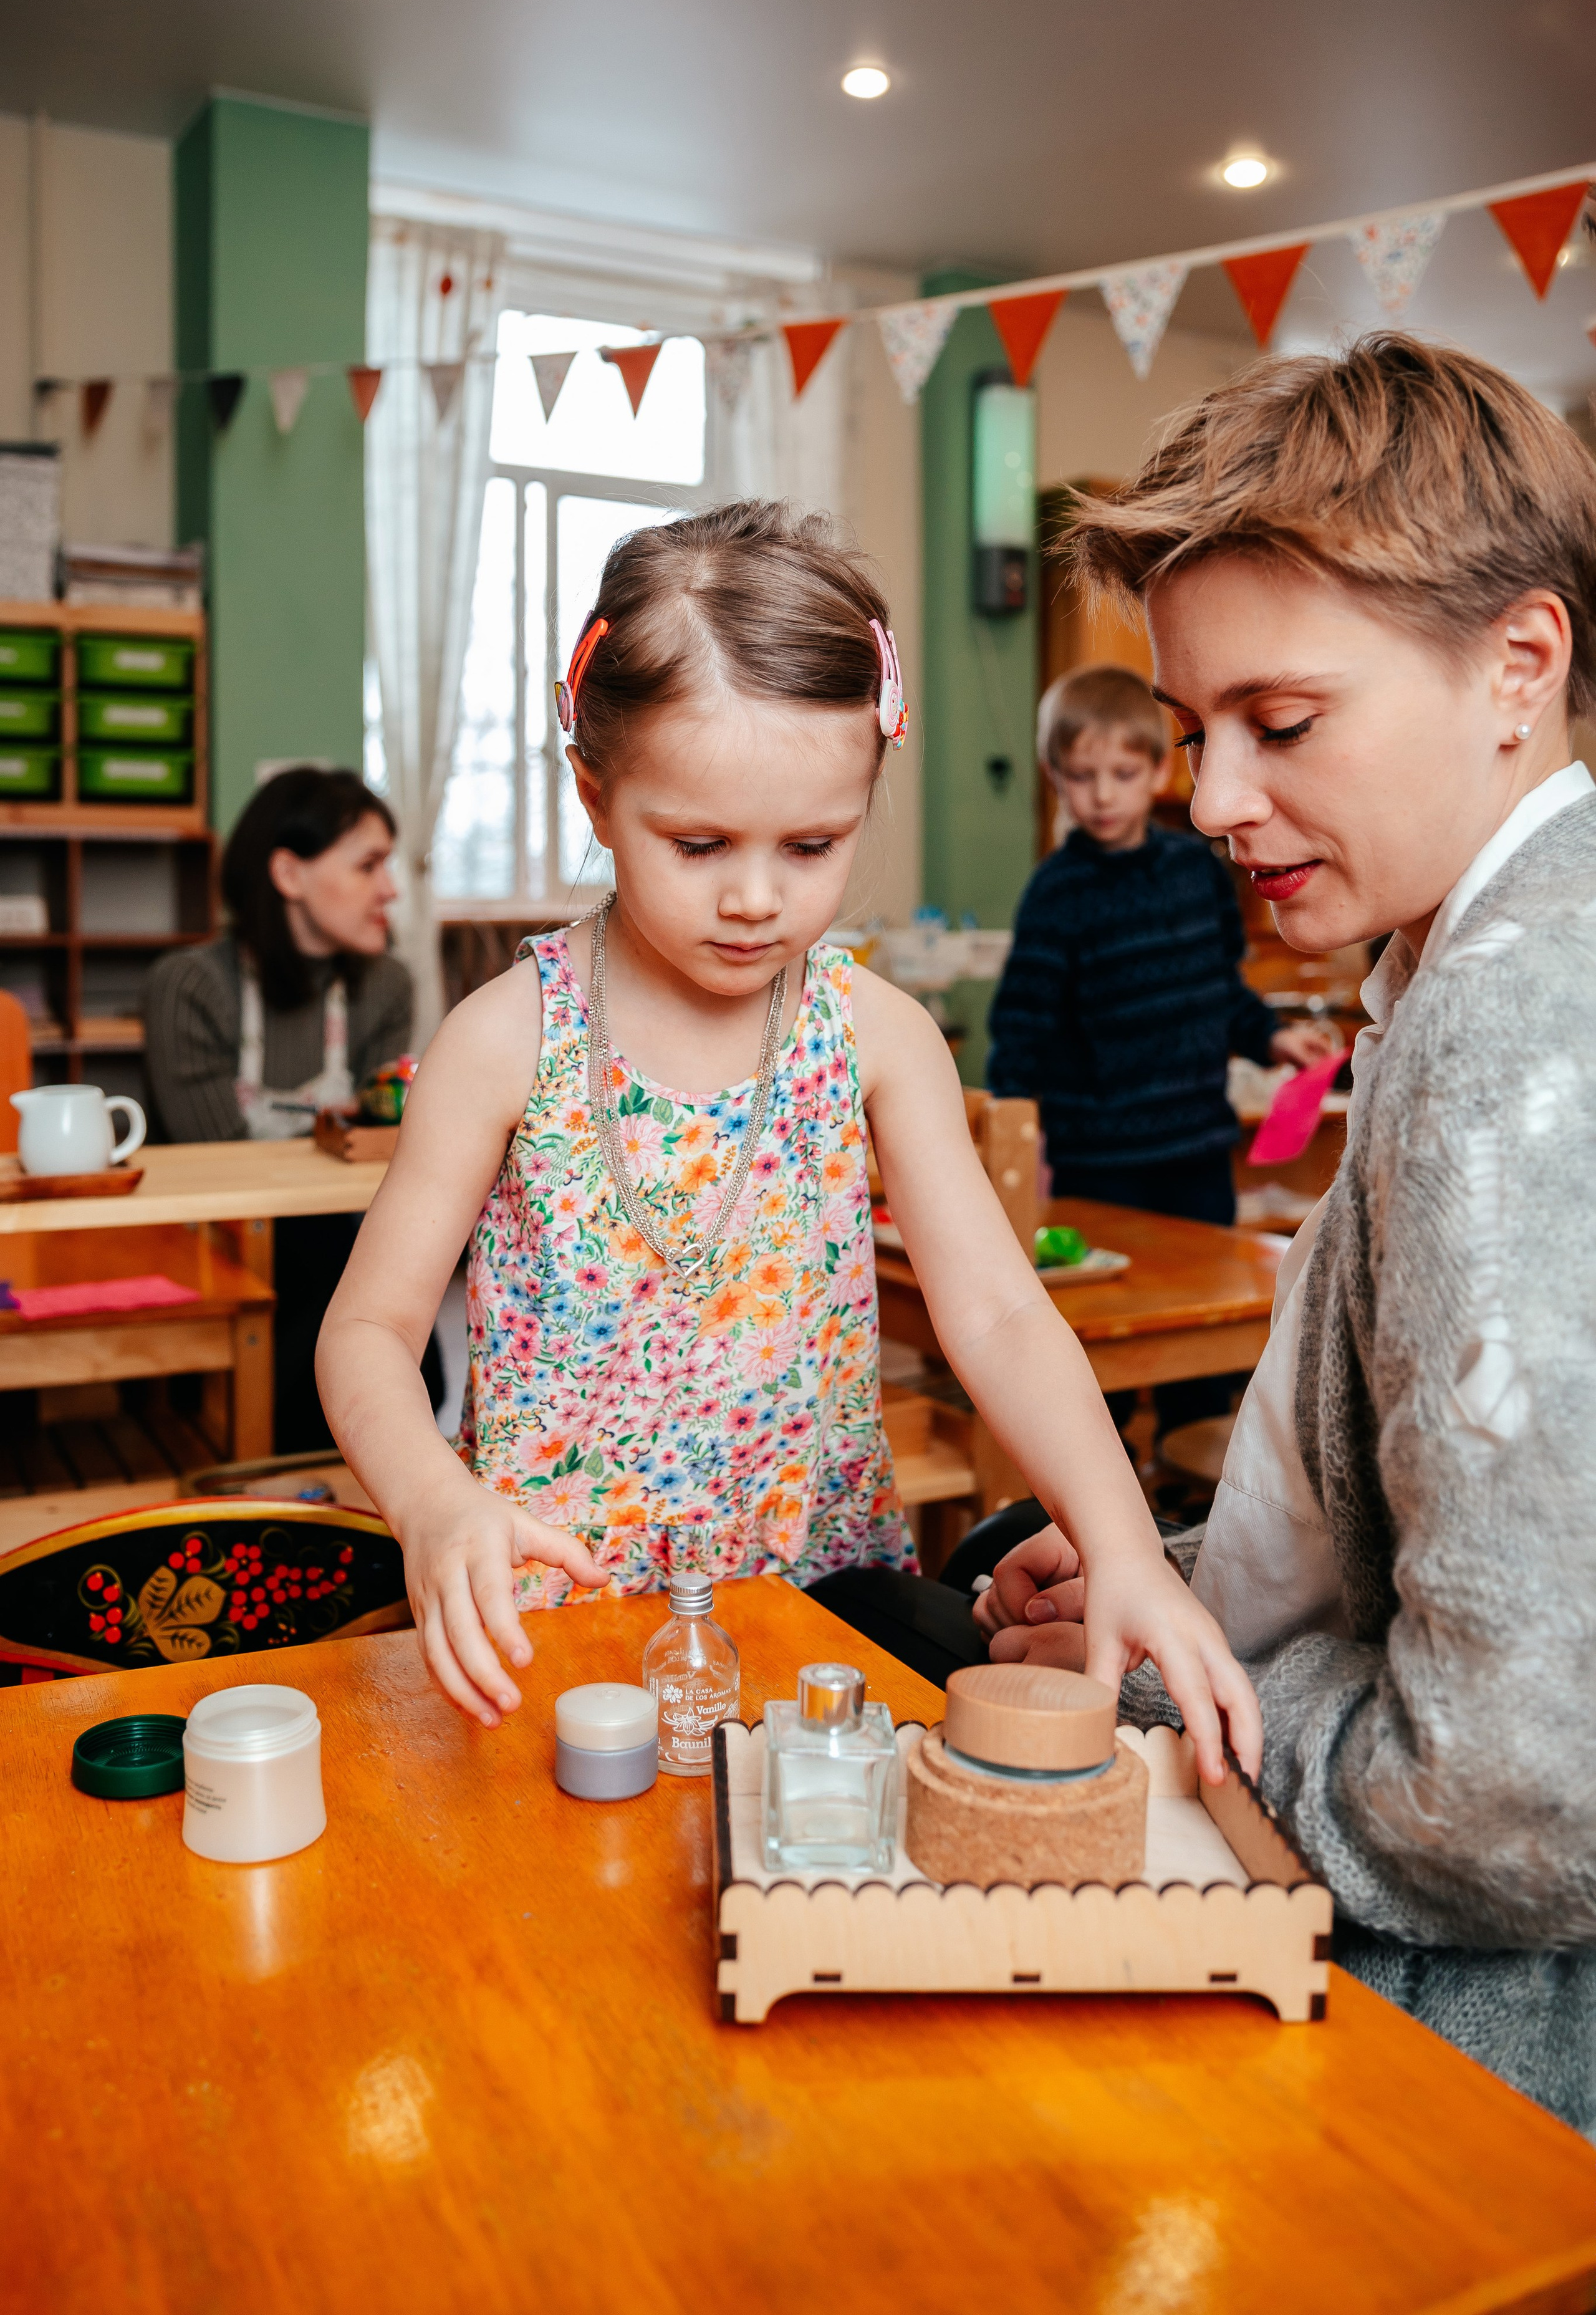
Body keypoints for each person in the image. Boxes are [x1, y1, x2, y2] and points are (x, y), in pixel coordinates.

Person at [315, 501, 1257, 1787]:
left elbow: (995, 1316)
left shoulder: (872, 1035)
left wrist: (1128, 1547)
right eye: (697, 845)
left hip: (812, 1626)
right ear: (596, 790)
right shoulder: (506, 1039)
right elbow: (364, 1332)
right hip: (555, 1622)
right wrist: (431, 1502)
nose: (757, 896)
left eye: (812, 845)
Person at [979, 334, 1596, 2133]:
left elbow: (1518, 1782)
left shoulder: (1509, 1028)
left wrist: (1199, 1688)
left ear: (1518, 664)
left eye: (1284, 724)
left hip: (1483, 2089)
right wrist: (1171, 1573)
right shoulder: (1453, 962)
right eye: (1190, 734)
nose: (1211, 799)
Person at [986, 662, 1335, 1435]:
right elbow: (1021, 1033)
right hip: (1093, 1171)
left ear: (1159, 767)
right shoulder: (1056, 893)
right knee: (1096, 1358)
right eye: (1081, 777)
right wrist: (1015, 1145)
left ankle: (1187, 1510)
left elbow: (1218, 992)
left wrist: (1272, 1037)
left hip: (1194, 1159)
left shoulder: (1197, 873)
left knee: (1200, 1362)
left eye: (1122, 771)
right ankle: (1097, 1513)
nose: (1102, 794)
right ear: (1055, 779)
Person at [144, 766, 432, 1451]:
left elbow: (380, 1152)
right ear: (288, 874)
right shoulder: (187, 986)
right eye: (368, 865)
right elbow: (221, 1169)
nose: (390, 890)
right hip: (226, 1247)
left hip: (340, 1241)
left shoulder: (385, 986)